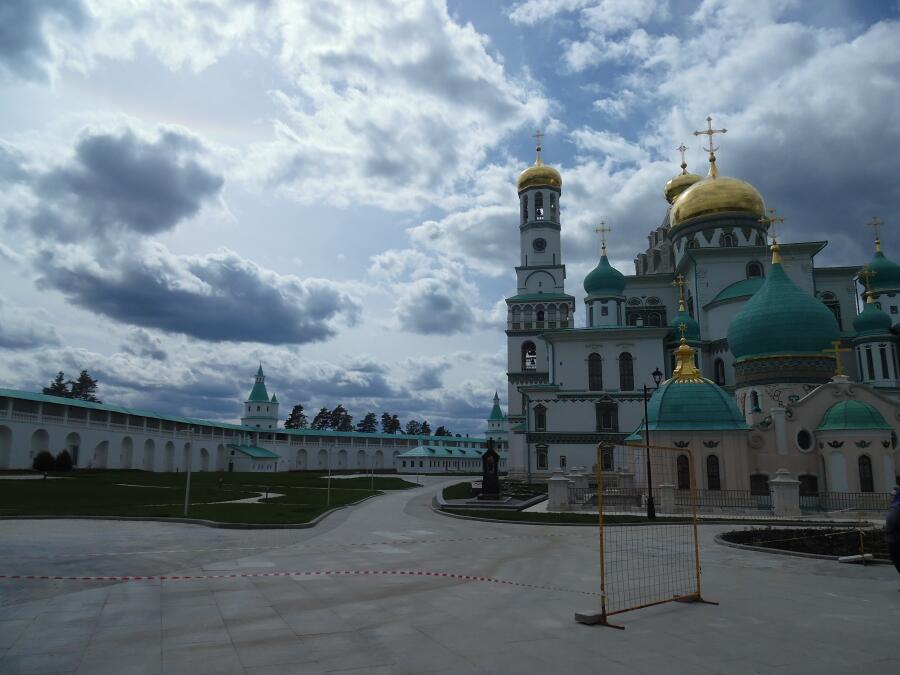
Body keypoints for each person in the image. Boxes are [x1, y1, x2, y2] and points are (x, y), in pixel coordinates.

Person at [887, 485, 900, 585]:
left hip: (895, 538)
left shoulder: (895, 507)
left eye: (892, 495)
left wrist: (888, 531)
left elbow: (891, 522)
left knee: (897, 560)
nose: (890, 497)